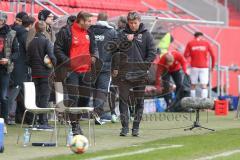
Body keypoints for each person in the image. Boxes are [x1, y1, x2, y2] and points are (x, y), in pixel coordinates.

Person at [54, 11, 98, 136]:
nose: (90, 24)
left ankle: (75, 121)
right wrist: (68, 62)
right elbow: (57, 49)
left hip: (86, 71)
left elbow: (94, 47)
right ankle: (75, 126)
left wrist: (94, 56)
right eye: (89, 21)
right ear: (81, 20)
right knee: (74, 98)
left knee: (85, 98)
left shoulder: (89, 32)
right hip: (71, 71)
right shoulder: (66, 32)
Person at [113, 11, 156, 136]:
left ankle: (135, 128)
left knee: (139, 102)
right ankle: (125, 127)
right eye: (131, 23)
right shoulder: (121, 34)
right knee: (123, 100)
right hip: (124, 73)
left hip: (140, 73)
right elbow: (114, 50)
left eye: (135, 23)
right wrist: (125, 40)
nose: (132, 25)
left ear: (139, 21)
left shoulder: (147, 35)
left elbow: (152, 52)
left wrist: (144, 66)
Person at [89, 12, 118, 125]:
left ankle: (80, 114)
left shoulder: (90, 30)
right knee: (102, 90)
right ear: (107, 19)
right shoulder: (112, 32)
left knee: (90, 90)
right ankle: (97, 113)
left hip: (90, 65)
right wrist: (115, 67)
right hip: (105, 67)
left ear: (97, 19)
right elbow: (116, 52)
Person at [27, 21, 56, 130]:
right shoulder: (46, 41)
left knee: (38, 97)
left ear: (35, 28)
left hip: (35, 74)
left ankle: (37, 121)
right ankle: (43, 122)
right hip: (45, 74)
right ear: (44, 29)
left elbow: (28, 60)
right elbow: (51, 57)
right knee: (44, 97)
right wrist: (54, 66)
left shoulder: (31, 43)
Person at [8, 15, 35, 125]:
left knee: (15, 92)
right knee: (17, 93)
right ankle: (8, 117)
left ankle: (19, 117)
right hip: (22, 67)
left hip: (12, 66)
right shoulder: (25, 35)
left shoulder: (12, 32)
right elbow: (29, 51)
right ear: (30, 25)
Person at [0, 11, 19, 132]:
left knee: (3, 96)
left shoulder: (12, 33)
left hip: (4, 69)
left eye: (1, 20)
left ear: (4, 21)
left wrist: (8, 59)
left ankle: (4, 122)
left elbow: (16, 52)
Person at [184, 32, 215, 98]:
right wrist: (212, 67)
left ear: (194, 36)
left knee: (193, 85)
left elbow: (185, 55)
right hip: (204, 67)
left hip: (194, 67)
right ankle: (204, 102)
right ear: (201, 36)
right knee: (204, 85)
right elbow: (213, 56)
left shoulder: (190, 43)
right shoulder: (206, 43)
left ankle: (192, 101)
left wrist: (192, 54)